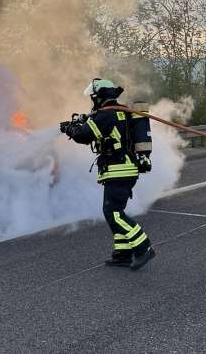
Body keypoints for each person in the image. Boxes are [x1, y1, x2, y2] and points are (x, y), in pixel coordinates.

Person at [60, 78, 156, 270]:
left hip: (119, 169)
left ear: (100, 96)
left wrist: (69, 128)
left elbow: (84, 135)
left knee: (113, 212)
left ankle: (143, 248)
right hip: (124, 169)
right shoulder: (119, 112)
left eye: (93, 97)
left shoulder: (106, 115)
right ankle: (122, 254)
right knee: (115, 211)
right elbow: (100, 126)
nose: (92, 101)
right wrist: (83, 120)